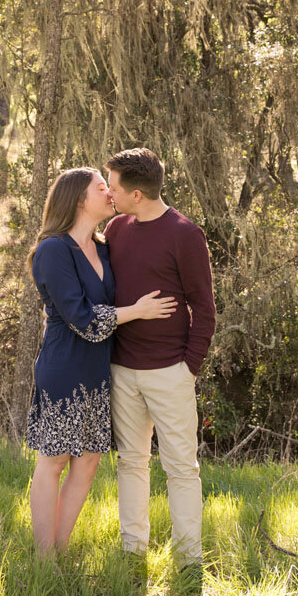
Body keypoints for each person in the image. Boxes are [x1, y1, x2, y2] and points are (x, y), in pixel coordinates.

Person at [26, 166, 177, 559]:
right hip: (63, 368)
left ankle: (59, 548)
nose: (111, 193)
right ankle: (45, 558)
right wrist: (139, 311)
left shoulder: (104, 246)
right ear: (78, 199)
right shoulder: (53, 250)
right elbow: (85, 320)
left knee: (89, 461)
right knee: (55, 459)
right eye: (101, 188)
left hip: (97, 370)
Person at [103, 148, 216, 569]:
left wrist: (188, 368)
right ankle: (133, 553)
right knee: (131, 462)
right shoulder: (116, 229)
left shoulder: (185, 235)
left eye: (112, 186)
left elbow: (204, 309)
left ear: (136, 194)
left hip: (170, 372)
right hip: (122, 370)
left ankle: (189, 561)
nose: (108, 193)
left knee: (181, 469)